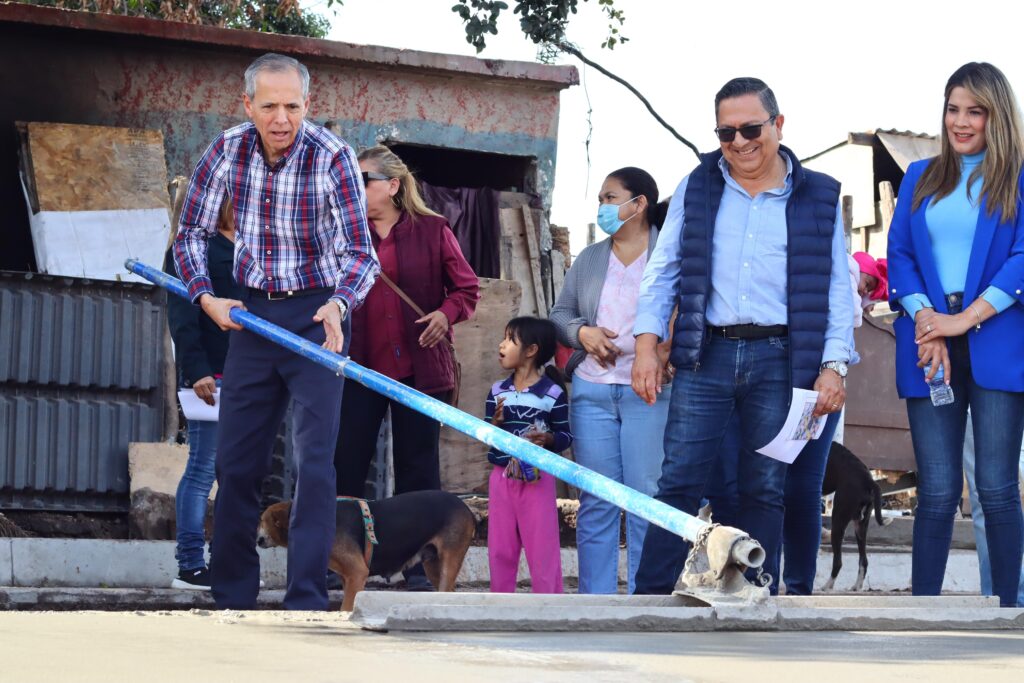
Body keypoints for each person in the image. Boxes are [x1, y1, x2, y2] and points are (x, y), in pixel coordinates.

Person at [631, 77, 854, 595]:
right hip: (706, 355)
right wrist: (646, 345)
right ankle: (646, 599)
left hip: (782, 360)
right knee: (679, 482)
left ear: (778, 125)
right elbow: (663, 271)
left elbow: (838, 291)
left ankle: (756, 600)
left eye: (750, 129)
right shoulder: (698, 184)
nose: (738, 143)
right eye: (725, 133)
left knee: (765, 488)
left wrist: (834, 364)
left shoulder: (819, 196)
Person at [173, 53, 378, 610]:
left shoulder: (331, 156)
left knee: (314, 464)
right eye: (269, 105)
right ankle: (232, 595)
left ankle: (306, 597)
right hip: (253, 317)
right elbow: (189, 233)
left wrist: (340, 304)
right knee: (236, 462)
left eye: (292, 105)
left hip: (318, 318)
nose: (282, 117)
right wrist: (206, 296)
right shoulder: (227, 149)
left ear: (307, 105)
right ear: (248, 106)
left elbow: (360, 254)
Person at [888, 62, 1024, 607]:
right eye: (953, 109)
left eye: (975, 111)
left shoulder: (1016, 177)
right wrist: (929, 321)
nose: (961, 122)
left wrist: (963, 321)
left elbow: (1021, 258)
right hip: (928, 342)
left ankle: (1010, 611)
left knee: (995, 489)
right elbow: (898, 254)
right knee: (938, 491)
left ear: (997, 116)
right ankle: (924, 611)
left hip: (996, 341)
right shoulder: (919, 175)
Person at [333, 145, 478, 589]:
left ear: (392, 186)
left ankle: (418, 569)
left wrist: (444, 313)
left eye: (363, 180)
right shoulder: (344, 232)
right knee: (346, 466)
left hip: (418, 370)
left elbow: (467, 289)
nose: (353, 188)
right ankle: (341, 565)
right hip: (358, 367)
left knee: (418, 470)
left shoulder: (433, 230)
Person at [549, 167, 672, 594]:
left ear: (639, 204)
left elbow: (689, 314)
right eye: (601, 198)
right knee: (596, 501)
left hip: (650, 395)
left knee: (644, 499)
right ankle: (595, 602)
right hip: (592, 391)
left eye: (609, 197)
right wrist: (582, 333)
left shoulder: (668, 257)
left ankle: (645, 598)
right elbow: (560, 315)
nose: (602, 206)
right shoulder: (589, 259)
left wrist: (666, 350)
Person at [163, 194, 241, 590]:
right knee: (202, 469)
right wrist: (196, 371)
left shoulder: (249, 241)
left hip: (248, 374)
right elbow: (182, 315)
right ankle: (191, 565)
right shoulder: (189, 248)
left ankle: (224, 561)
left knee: (235, 473)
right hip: (211, 374)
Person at [485, 317, 572, 594]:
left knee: (542, 548)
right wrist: (494, 424)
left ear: (531, 350)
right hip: (501, 479)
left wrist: (548, 439)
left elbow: (566, 436)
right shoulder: (497, 391)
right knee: (500, 549)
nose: (502, 344)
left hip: (537, 480)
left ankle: (549, 607)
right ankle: (500, 605)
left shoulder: (553, 394)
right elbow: (485, 434)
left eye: (510, 340)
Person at [962, 411, 1024, 606]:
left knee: (989, 502)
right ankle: (1003, 600)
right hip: (987, 394)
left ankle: (1006, 598)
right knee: (988, 501)